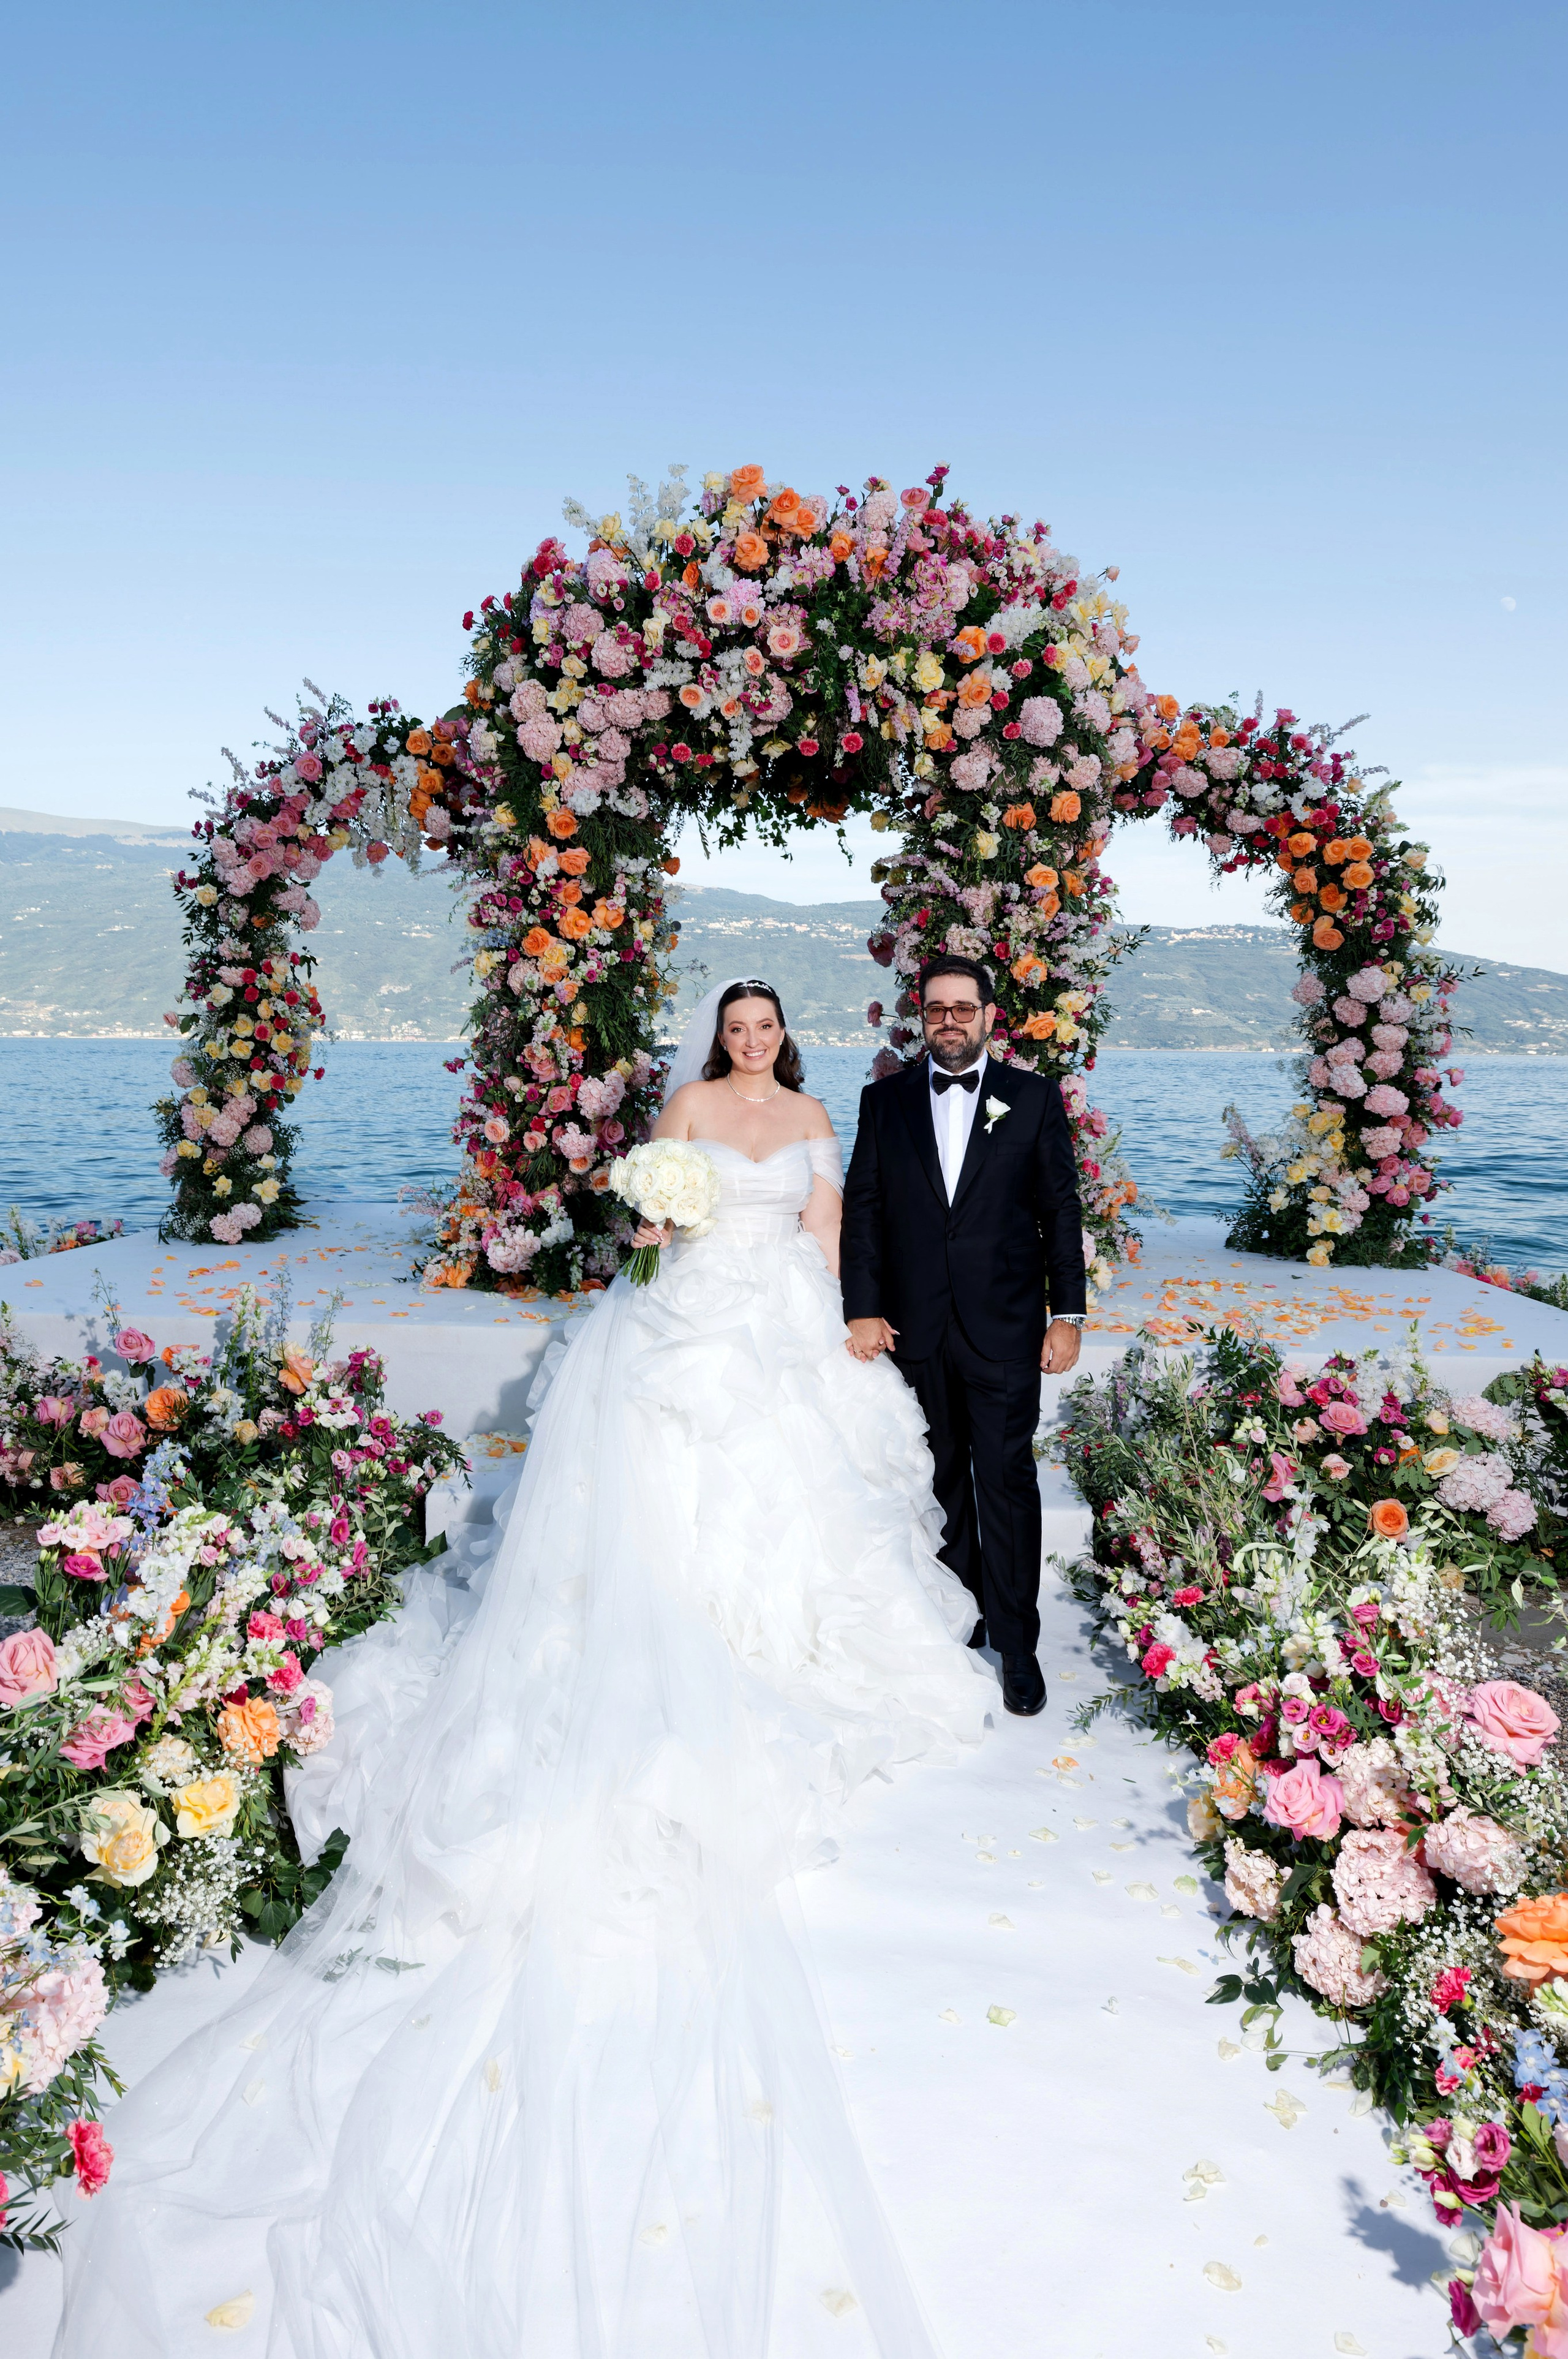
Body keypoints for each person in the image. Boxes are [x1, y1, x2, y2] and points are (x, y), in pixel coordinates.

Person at [53, 976, 992, 2359]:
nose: (748, 1042)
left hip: (779, 1322)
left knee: (799, 1492)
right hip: (685, 1317)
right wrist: (661, 1229)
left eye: (762, 1025)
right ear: (716, 1037)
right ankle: (670, 1626)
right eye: (732, 1026)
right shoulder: (684, 1107)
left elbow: (822, 1228)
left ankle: (764, 1631)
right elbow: (651, 1221)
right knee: (659, 1473)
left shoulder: (806, 1112)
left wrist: (844, 1318)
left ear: (783, 1033)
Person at [840, 955, 1087, 1719]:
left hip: (1005, 1327)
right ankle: (959, 1618)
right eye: (936, 1008)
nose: (949, 1020)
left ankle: (1017, 1645)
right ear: (921, 1015)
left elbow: (1060, 1211)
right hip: (913, 1328)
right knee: (939, 1483)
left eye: (962, 1007)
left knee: (1006, 1485)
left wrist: (1066, 1314)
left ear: (988, 1015)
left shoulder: (1033, 1098)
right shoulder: (882, 1102)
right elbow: (865, 1212)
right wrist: (862, 1308)